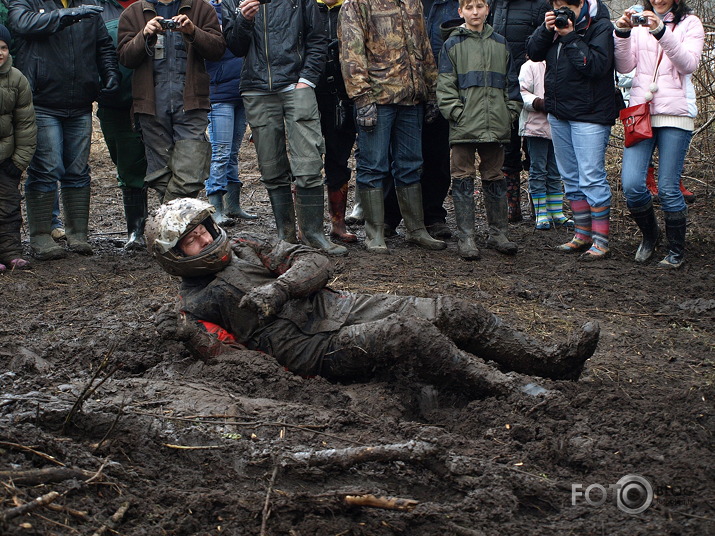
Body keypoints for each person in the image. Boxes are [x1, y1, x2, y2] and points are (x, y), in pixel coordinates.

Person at [147, 198, 601, 398]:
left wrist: (279, 288)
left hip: (341, 306)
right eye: (191, 239)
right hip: (310, 353)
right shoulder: (197, 305)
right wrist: (191, 338)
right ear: (173, 256)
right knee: (408, 333)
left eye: (203, 227)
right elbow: (231, 361)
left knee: (453, 310)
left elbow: (316, 261)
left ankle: (549, 361)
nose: (204, 237)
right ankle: (508, 388)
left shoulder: (247, 247)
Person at [223, 0, 347, 256]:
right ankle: (286, 235)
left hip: (296, 85)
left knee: (309, 161)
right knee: (270, 165)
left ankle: (314, 234)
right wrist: (244, 20)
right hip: (256, 89)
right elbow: (234, 47)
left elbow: (317, 37)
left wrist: (308, 79)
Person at [9, 1, 120, 260]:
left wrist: (111, 73)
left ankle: (78, 233)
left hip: (80, 101)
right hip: (42, 100)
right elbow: (22, 23)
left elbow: (102, 45)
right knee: (47, 167)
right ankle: (40, 235)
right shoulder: (28, 2)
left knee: (78, 170)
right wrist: (68, 15)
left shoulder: (88, 8)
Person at [339, 0, 446, 254]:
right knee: (373, 165)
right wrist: (362, 97)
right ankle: (374, 232)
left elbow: (425, 47)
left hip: (412, 99)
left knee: (411, 164)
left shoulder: (413, 3)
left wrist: (432, 91)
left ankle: (416, 228)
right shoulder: (356, 4)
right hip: (377, 99)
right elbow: (351, 53)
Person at [526, 0, 619, 261]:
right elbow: (533, 53)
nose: (562, 12)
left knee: (591, 176)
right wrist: (546, 30)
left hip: (590, 114)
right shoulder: (553, 26)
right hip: (559, 112)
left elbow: (595, 66)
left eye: (567, 6)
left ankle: (601, 241)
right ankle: (582, 234)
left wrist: (570, 37)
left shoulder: (600, 27)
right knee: (570, 177)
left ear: (581, 3)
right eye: (556, 5)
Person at [614, 0, 704, 269]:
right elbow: (624, 66)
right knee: (631, 184)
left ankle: (676, 251)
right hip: (642, 112)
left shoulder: (691, 23)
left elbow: (689, 64)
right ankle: (650, 236)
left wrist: (662, 31)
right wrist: (621, 33)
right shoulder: (640, 21)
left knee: (667, 187)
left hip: (676, 114)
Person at [437, 0, 522, 260]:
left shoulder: (500, 43)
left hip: (495, 124)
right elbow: (445, 86)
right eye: (470, 7)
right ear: (460, 11)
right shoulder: (452, 44)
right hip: (464, 126)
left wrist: (509, 113)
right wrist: (456, 113)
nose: (475, 12)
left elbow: (512, 84)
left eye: (480, 6)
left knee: (495, 175)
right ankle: (466, 236)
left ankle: (498, 233)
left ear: (488, 10)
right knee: (462, 176)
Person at [117, 0, 226, 204]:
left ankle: (169, 227)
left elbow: (218, 49)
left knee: (191, 172)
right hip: (150, 105)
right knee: (161, 175)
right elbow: (125, 58)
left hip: (192, 103)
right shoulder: (133, 13)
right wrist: (144, 35)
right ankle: (178, 231)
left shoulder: (201, 9)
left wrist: (193, 31)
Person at [382, 0, 460, 241]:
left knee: (437, 156)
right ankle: (388, 217)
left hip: (444, 90)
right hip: (401, 88)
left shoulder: (457, 5)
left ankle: (433, 216)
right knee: (396, 157)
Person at [487, 0, 551, 223]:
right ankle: (510, 207)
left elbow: (544, 43)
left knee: (536, 149)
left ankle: (539, 208)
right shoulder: (493, 4)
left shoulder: (540, 5)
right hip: (501, 86)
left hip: (531, 88)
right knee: (507, 148)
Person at [96, 0, 150, 251]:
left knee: (160, 165)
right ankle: (135, 230)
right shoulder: (94, 6)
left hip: (151, 100)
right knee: (125, 164)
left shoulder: (155, 6)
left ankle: (155, 227)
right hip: (112, 102)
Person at [204, 0, 256, 224]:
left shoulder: (239, 6)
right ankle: (215, 207)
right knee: (220, 152)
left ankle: (233, 205)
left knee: (233, 152)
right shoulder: (206, 12)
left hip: (241, 90)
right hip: (218, 93)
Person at [315, 0, 357, 243]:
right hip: (307, 92)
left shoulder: (352, 8)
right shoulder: (306, 9)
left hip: (344, 95)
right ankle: (307, 225)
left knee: (339, 159)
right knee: (305, 161)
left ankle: (337, 223)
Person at [518, 59, 572, 230]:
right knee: (538, 169)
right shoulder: (530, 66)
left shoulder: (563, 62)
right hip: (536, 126)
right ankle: (541, 213)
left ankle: (556, 212)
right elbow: (522, 93)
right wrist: (540, 103)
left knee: (555, 170)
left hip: (559, 126)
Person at [0, 24, 36, 272]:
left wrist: (18, 161)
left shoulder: (16, 78)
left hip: (5, 158)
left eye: (2, 47)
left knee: (9, 206)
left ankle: (11, 252)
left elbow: (25, 124)